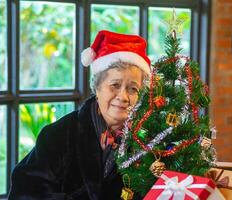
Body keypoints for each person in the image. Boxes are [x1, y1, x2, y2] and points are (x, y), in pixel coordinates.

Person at [8, 30, 151, 200]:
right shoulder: (58, 135)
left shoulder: (148, 141)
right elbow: (25, 193)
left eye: (132, 89)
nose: (123, 97)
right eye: (115, 85)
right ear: (97, 88)